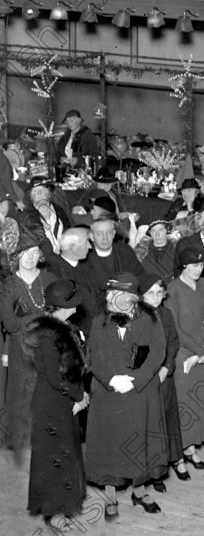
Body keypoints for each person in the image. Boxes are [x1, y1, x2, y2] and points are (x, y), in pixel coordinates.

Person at [85, 273, 167, 520]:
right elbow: (92, 356)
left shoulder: (151, 318)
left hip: (140, 392)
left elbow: (158, 351)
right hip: (109, 392)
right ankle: (110, 496)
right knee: (110, 445)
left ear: (131, 298)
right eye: (109, 294)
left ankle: (139, 490)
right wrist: (111, 380)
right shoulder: (99, 321)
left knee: (139, 441)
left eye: (116, 294)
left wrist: (137, 380)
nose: (110, 298)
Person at [25, 279, 87, 533]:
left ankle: (63, 505)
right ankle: (52, 514)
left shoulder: (65, 327)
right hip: (52, 405)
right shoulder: (50, 335)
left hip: (62, 402)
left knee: (65, 456)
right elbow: (56, 376)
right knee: (53, 459)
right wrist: (78, 396)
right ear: (64, 306)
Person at [0, 231, 56, 453]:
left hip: (48, 348)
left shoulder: (50, 280)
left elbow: (60, 313)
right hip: (20, 349)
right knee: (22, 394)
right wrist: (44, 320)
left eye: (34, 252)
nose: (30, 257)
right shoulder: (8, 286)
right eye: (25, 253)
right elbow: (11, 324)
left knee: (47, 393)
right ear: (16, 257)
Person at [165, 247, 204, 480]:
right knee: (183, 405)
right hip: (184, 354)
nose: (198, 269)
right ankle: (179, 456)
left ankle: (191, 448)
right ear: (183, 266)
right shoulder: (172, 290)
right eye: (193, 265)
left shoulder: (203, 285)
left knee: (196, 403)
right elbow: (175, 328)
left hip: (202, 354)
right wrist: (197, 351)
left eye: (201, 265)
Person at [139, 273, 182, 493]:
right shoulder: (136, 316)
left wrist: (167, 367)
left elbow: (173, 344)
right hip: (146, 379)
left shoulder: (166, 314)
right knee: (150, 426)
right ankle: (149, 473)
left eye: (159, 293)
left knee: (167, 421)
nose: (155, 297)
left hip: (165, 377)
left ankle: (164, 466)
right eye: (150, 293)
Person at [43, 228, 99, 334]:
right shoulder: (58, 272)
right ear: (73, 246)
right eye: (86, 242)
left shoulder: (79, 265)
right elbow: (68, 311)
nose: (90, 246)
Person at [80, 218, 145, 307]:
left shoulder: (125, 250)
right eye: (99, 234)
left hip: (128, 301)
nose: (105, 237)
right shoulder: (83, 257)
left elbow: (140, 275)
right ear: (91, 236)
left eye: (108, 232)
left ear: (114, 234)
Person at [20, 177, 71, 255]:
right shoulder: (27, 216)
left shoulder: (59, 210)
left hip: (66, 253)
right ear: (30, 196)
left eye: (43, 190)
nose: (39, 193)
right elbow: (38, 243)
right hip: (44, 258)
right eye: (35, 191)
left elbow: (69, 231)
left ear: (50, 193)